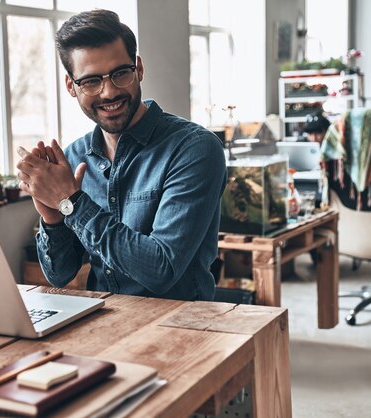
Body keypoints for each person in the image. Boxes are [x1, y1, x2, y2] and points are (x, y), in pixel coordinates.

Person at [15, 9, 226, 301]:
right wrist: (52, 219)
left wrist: (73, 203)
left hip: (180, 330)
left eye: (120, 73)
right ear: (71, 86)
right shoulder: (75, 157)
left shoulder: (194, 148)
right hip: (105, 324)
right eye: (90, 81)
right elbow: (60, 274)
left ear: (138, 69)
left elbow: (161, 270)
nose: (108, 92)